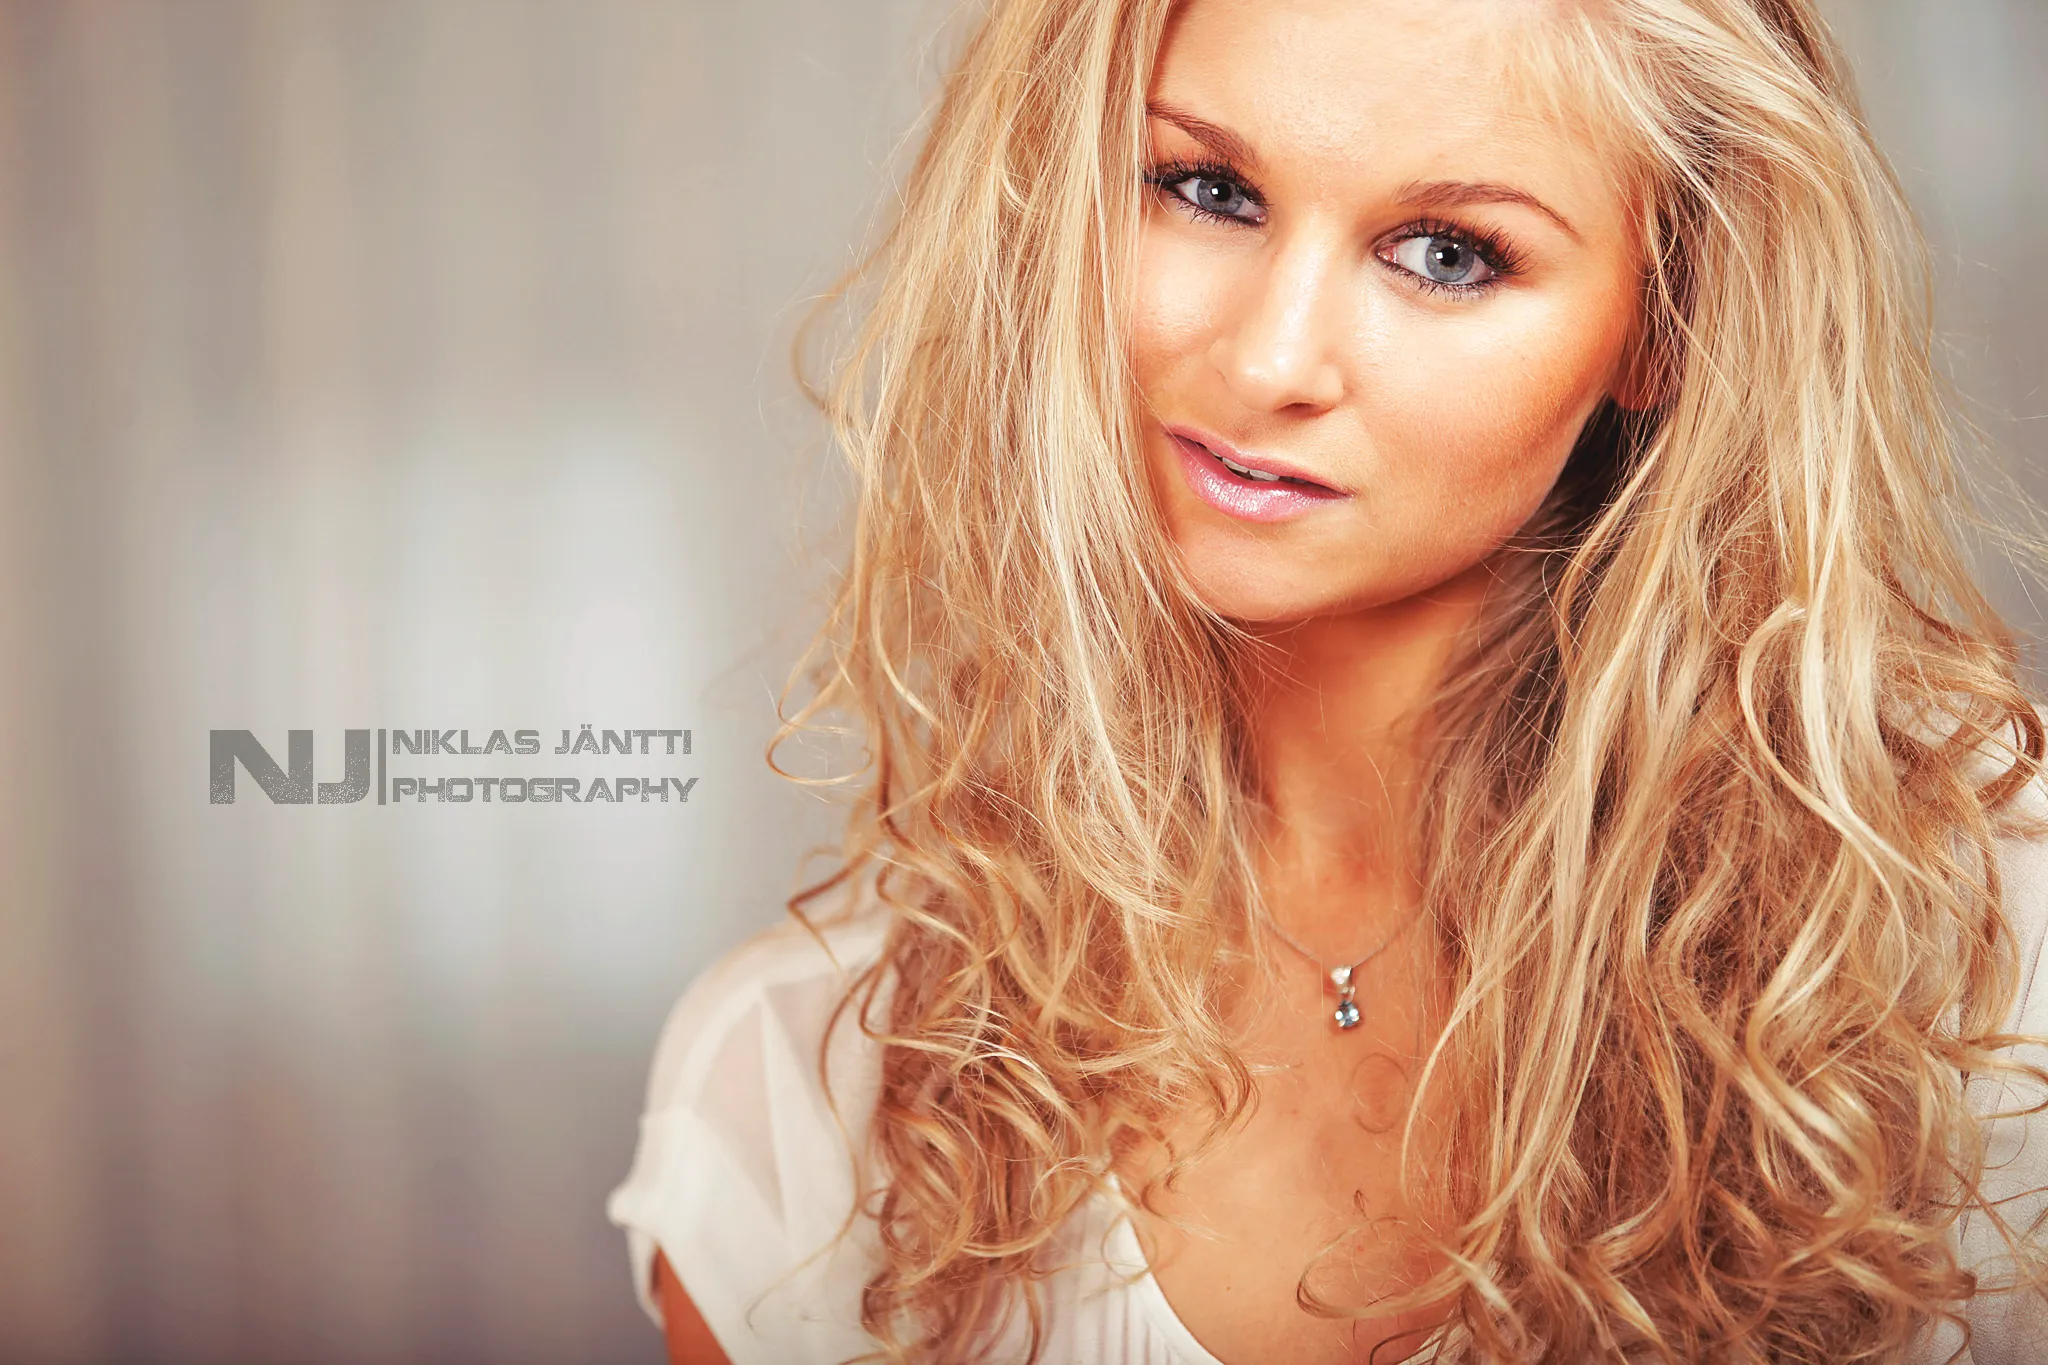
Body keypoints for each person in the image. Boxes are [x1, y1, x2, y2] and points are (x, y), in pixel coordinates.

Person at [607, 0, 2048, 1360]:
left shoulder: (1985, 948)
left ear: (1664, 325)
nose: (1270, 358)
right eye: (1205, 190)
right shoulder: (805, 1093)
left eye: (1448, 254)